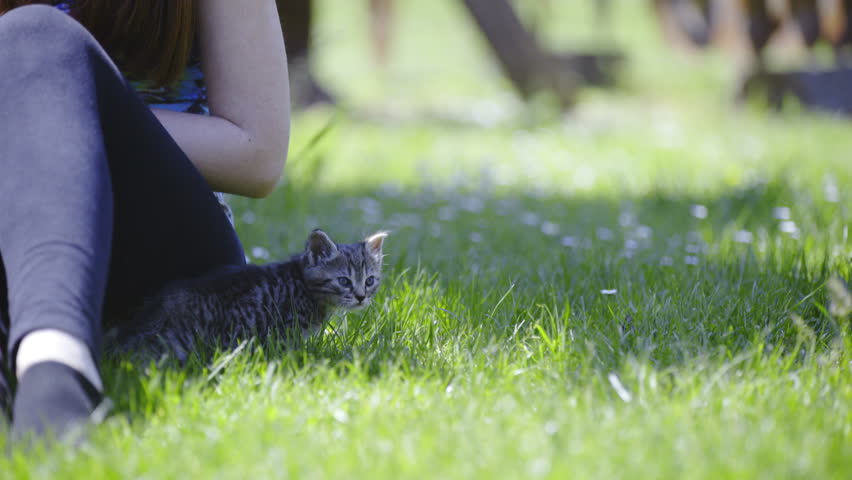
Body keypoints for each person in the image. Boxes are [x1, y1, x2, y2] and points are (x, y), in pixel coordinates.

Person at [0, 0, 290, 439]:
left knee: (37, 33)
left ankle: (55, 374)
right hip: (15, 220)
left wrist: (66, 106)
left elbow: (258, 152)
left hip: (164, 254)